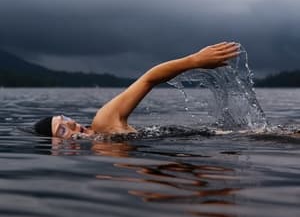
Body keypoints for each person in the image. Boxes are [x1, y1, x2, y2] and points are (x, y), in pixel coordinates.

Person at [34, 42, 239, 139]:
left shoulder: (104, 123)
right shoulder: (101, 150)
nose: (70, 122)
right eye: (62, 129)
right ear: (57, 146)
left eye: (64, 118)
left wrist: (194, 61)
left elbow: (148, 79)